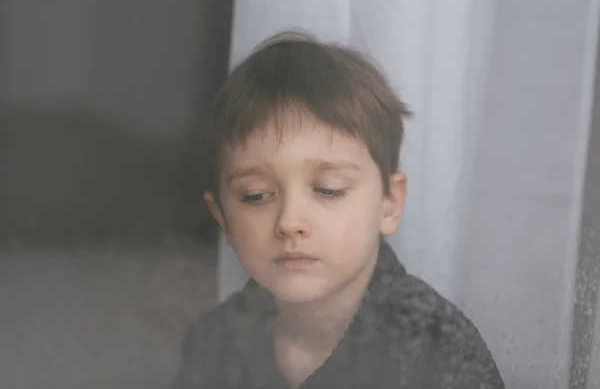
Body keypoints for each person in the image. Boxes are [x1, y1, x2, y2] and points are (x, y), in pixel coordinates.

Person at [171, 30, 505, 389]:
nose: (290, 222)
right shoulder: (214, 343)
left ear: (389, 204)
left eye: (329, 189)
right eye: (256, 195)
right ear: (222, 217)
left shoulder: (437, 349)